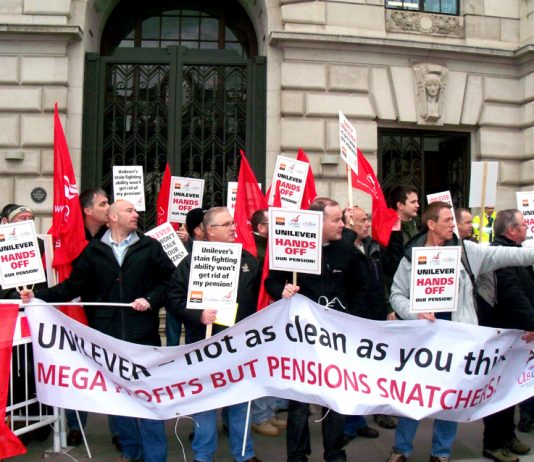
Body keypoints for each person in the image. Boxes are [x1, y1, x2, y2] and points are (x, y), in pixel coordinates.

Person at [21, 199, 175, 462]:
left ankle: (155, 457)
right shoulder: (93, 251)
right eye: (129, 210)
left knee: (149, 400)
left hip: (143, 337)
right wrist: (36, 296)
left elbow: (170, 280)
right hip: (107, 338)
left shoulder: (150, 247)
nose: (136, 214)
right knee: (119, 400)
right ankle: (130, 451)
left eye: (135, 211)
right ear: (112, 218)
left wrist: (150, 299)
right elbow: (71, 287)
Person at [385, 201, 534, 462]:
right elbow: (396, 294)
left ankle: (440, 453)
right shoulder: (411, 257)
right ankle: (401, 450)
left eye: (453, 221)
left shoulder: (467, 253)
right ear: (431, 225)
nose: (452, 225)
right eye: (447, 221)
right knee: (413, 397)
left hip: (457, 340)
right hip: (421, 340)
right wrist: (414, 312)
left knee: (451, 397)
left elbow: (512, 256)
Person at [265, 197, 369, 462]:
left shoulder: (347, 251)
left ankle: (335, 453)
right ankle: (297, 455)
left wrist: (355, 325)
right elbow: (271, 282)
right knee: (299, 405)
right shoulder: (293, 249)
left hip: (337, 341)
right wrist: (282, 290)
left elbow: (361, 291)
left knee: (334, 400)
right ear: (317, 222)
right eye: (336, 220)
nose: (342, 225)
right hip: (301, 340)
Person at [166, 207, 262, 462]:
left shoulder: (247, 260)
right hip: (204, 343)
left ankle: (244, 454)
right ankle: (203, 455)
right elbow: (173, 299)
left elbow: (263, 293)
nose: (233, 228)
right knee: (205, 403)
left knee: (241, 401)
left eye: (233, 223)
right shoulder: (189, 263)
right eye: (226, 224)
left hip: (240, 343)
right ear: (210, 231)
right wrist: (198, 314)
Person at [477, 209, 533, 462]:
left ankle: (508, 435)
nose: (526, 229)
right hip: (505, 333)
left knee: (512, 388)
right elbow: (512, 295)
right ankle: (493, 442)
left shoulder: (514, 252)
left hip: (518, 333)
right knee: (498, 391)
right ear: (511, 230)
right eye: (522, 226)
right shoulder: (501, 256)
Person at [64, 188, 111, 447]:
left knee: (112, 370)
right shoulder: (69, 235)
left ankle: (119, 430)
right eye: (104, 204)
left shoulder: (111, 235)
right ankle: (75, 425)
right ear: (88, 210)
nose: (108, 208)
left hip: (105, 311)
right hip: (74, 311)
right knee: (77, 369)